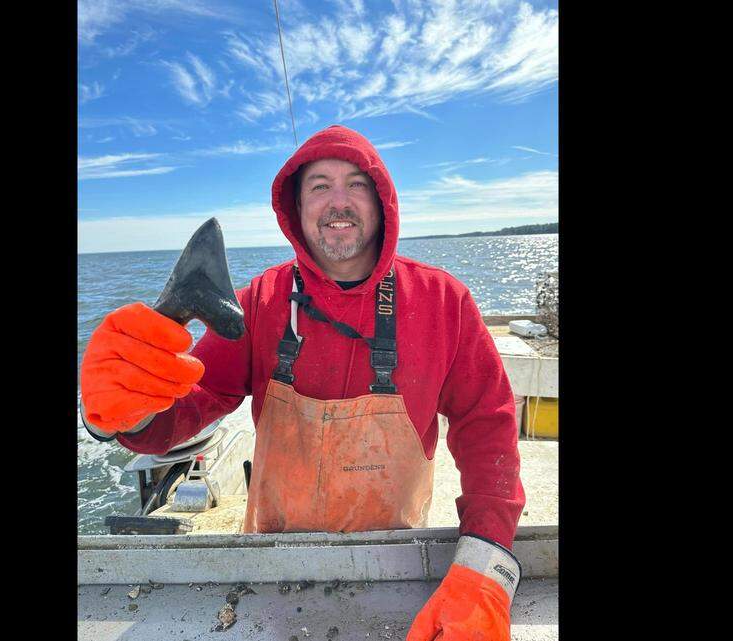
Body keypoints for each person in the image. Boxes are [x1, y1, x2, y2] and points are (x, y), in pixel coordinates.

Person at [80, 124, 525, 640]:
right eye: (319, 186)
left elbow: (487, 426)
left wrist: (484, 567)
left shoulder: (443, 302)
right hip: (272, 563)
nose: (339, 202)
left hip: (398, 563)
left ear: (383, 201)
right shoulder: (259, 301)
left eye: (357, 184)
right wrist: (127, 409)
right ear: (295, 207)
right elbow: (193, 403)